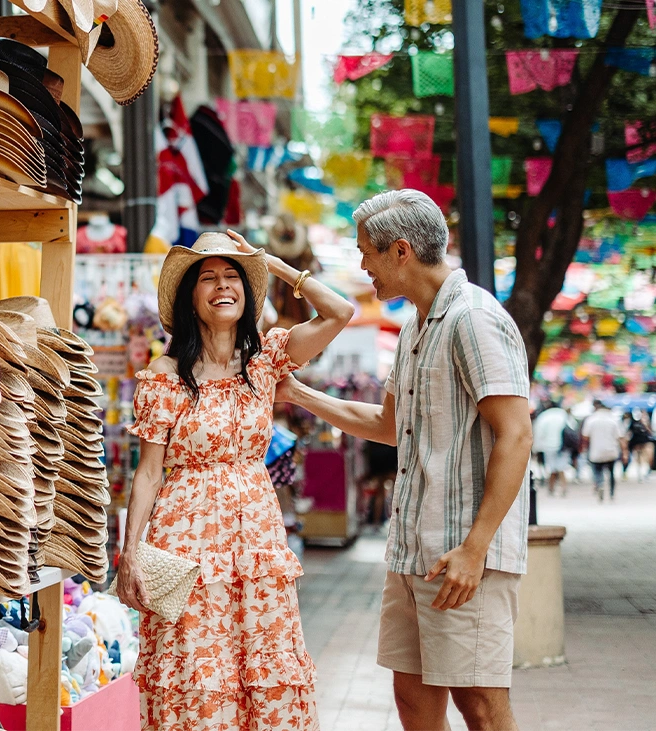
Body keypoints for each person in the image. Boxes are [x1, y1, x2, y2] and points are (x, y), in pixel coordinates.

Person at [274, 190, 533, 731]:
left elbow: (515, 436)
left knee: (479, 703)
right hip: (415, 548)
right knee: (412, 697)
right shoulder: (417, 327)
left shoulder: (474, 319)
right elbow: (388, 427)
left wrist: (475, 548)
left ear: (400, 251)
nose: (363, 265)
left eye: (366, 252)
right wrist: (296, 393)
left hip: (463, 554)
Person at [117, 230, 353, 730]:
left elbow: (340, 313)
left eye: (233, 277)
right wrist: (130, 553)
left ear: (247, 291)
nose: (222, 286)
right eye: (209, 278)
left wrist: (268, 262)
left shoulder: (266, 361)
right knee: (196, 670)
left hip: (257, 545)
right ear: (190, 297)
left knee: (263, 664)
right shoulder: (165, 374)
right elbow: (149, 471)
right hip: (186, 545)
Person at [581, 400, 625, 502]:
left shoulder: (591, 419)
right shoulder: (614, 419)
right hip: (611, 450)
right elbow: (620, 437)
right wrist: (624, 452)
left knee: (597, 471)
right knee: (611, 473)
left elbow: (585, 436)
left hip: (596, 451)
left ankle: (600, 484)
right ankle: (612, 493)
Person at [532, 400, 573, 495]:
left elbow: (539, 433)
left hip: (548, 446)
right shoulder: (563, 415)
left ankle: (551, 488)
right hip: (563, 446)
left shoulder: (544, 416)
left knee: (551, 468)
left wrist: (536, 448)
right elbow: (572, 429)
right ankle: (563, 488)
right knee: (562, 467)